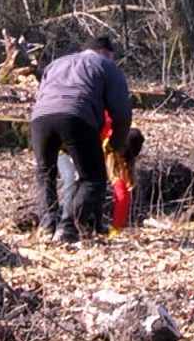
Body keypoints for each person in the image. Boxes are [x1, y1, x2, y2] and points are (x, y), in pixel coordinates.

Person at [31, 36, 133, 242]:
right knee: (94, 179)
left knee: (45, 174)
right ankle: (68, 227)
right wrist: (116, 142)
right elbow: (122, 114)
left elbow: (43, 94)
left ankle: (47, 227)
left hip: (39, 118)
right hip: (77, 116)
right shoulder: (107, 67)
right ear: (106, 53)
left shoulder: (56, 63)